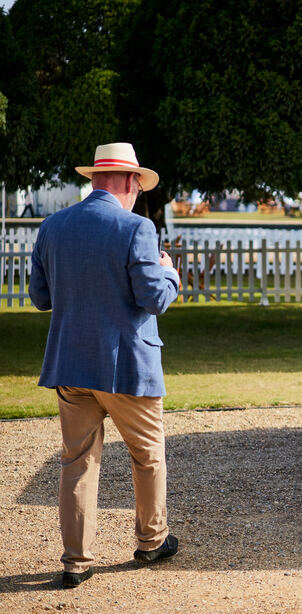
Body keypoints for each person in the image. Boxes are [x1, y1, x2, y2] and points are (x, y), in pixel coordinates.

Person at [29, 143, 181, 589]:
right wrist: (169, 272)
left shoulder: (53, 227)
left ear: (95, 179)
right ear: (130, 182)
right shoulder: (137, 228)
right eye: (137, 184)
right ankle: (151, 541)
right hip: (128, 368)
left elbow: (41, 298)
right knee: (147, 455)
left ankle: (76, 562)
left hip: (71, 364)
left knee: (77, 463)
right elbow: (154, 297)